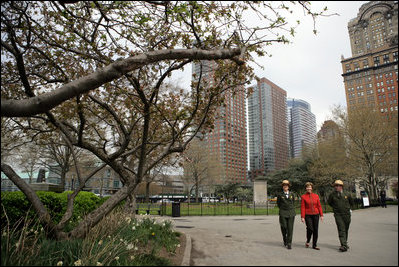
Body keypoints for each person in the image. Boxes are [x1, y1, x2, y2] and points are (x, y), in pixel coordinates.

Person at [327, 179, 354, 252]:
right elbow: (329, 202)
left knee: (345, 229)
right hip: (338, 214)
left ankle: (345, 242)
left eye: (338, 185)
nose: (337, 187)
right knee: (341, 229)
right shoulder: (332, 195)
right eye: (336, 185)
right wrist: (335, 208)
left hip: (346, 214)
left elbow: (351, 202)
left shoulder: (347, 194)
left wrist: (348, 208)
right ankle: (343, 245)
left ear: (341, 186)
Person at [300, 182, 323, 250]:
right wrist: (302, 217)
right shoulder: (303, 197)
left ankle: (314, 245)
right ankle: (308, 240)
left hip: (316, 214)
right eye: (307, 187)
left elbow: (319, 206)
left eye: (310, 187)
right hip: (308, 215)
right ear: (306, 188)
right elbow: (303, 207)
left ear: (312, 188)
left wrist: (321, 215)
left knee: (315, 230)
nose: (309, 188)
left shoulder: (316, 196)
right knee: (310, 228)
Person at [277, 179, 296, 249]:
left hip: (291, 212)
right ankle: (285, 238)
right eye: (284, 185)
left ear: (288, 186)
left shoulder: (292, 194)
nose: (285, 186)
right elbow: (278, 203)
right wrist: (282, 209)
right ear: (282, 186)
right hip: (283, 212)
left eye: (286, 185)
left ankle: (289, 243)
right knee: (284, 227)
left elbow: (293, 202)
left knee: (290, 228)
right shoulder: (280, 195)